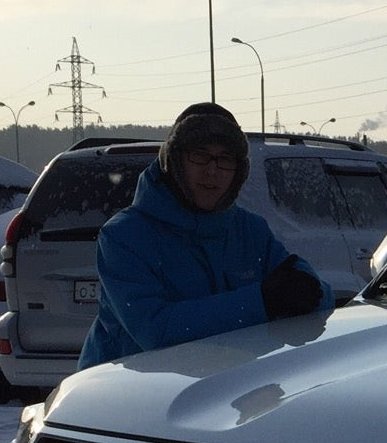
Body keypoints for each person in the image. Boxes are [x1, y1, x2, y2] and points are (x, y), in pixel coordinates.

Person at [77, 102, 332, 369]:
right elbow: (156, 332)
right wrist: (262, 302)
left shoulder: (249, 231)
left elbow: (313, 293)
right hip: (123, 397)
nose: (212, 171)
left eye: (225, 159)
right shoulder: (125, 237)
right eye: (199, 155)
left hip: (222, 390)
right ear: (173, 161)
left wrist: (303, 289)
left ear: (239, 171)